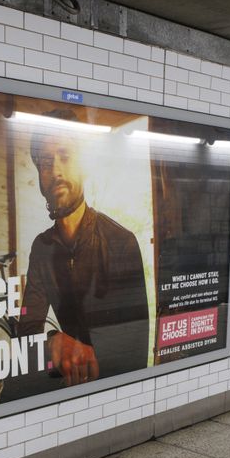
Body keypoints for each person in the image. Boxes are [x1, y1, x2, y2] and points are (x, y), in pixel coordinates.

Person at [17, 111, 149, 386]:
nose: (55, 171)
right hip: (67, 384)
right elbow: (27, 328)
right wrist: (53, 341)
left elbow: (135, 346)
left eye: (65, 156)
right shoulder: (41, 248)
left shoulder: (120, 242)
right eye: (44, 163)